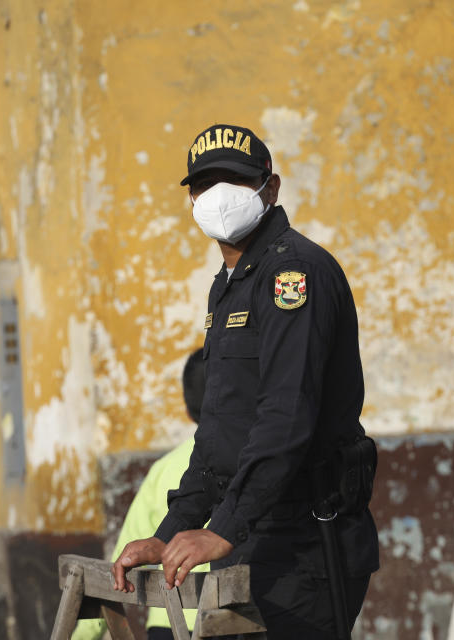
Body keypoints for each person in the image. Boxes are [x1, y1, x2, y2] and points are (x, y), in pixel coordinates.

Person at [111, 124, 379, 639]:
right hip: (253, 543)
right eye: (204, 185)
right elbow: (218, 438)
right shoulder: (230, 286)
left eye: (234, 181)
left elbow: (286, 418)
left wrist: (222, 531)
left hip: (306, 546)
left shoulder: (292, 275)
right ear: (190, 199)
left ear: (270, 188)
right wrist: (168, 535)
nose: (217, 197)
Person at [72, 348, 208, 640]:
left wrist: (84, 635)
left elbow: (121, 561)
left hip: (168, 622)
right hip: (235, 619)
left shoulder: (163, 470)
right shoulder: (258, 465)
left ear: (186, 410)